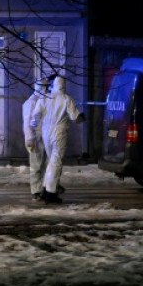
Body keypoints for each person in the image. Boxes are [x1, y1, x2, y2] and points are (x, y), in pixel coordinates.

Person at [30, 75, 85, 205]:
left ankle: (45, 190)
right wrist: (82, 117)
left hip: (46, 131)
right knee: (56, 162)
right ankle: (51, 193)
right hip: (59, 133)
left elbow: (35, 115)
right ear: (64, 85)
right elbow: (75, 117)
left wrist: (34, 126)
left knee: (51, 161)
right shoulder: (66, 98)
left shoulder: (45, 97)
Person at [23, 78, 48, 201]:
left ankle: (43, 189)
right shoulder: (31, 102)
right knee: (36, 165)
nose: (47, 90)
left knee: (42, 164)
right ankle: (36, 191)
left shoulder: (40, 101)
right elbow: (27, 122)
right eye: (46, 87)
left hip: (41, 137)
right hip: (34, 138)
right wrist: (30, 139)